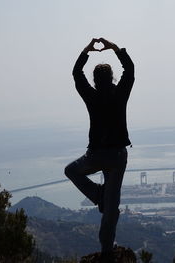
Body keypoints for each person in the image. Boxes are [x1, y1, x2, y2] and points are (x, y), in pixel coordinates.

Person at [64, 37, 135, 262]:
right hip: (117, 156)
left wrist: (86, 50)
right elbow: (130, 69)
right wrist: (114, 48)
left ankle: (97, 194)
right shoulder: (120, 93)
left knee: (71, 171)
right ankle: (106, 252)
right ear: (112, 77)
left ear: (95, 80)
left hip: (95, 155)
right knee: (111, 209)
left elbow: (77, 74)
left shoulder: (91, 96)